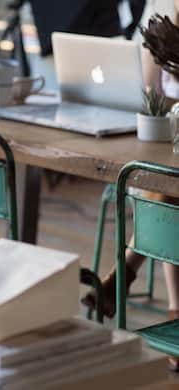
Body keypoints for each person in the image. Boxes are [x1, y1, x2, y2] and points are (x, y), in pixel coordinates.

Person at [81, 0, 179, 371]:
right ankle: (172, 310)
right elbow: (149, 94)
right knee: (163, 184)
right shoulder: (162, 20)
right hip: (166, 146)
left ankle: (124, 275)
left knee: (165, 189)